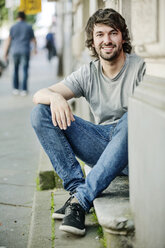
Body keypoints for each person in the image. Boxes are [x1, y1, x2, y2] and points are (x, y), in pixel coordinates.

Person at [31, 8, 146, 236]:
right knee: (40, 112)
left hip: (135, 150)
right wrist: (55, 97)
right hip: (101, 145)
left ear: (122, 36)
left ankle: (81, 200)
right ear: (92, 42)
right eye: (100, 35)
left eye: (113, 33)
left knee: (133, 115)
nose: (107, 40)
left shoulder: (141, 67)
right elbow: (38, 95)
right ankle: (76, 190)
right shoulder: (88, 73)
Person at [4, 11, 37, 96]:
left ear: (17, 17)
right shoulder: (29, 27)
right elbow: (33, 39)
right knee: (25, 70)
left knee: (15, 70)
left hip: (14, 51)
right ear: (25, 17)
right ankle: (24, 90)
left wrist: (5, 53)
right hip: (25, 51)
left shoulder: (13, 27)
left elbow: (9, 40)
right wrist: (35, 49)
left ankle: (15, 89)